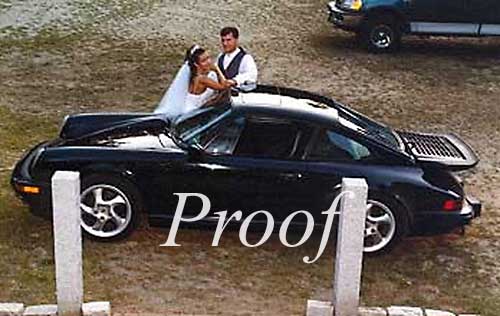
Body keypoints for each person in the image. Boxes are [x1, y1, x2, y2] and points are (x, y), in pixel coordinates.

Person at [155, 45, 235, 116]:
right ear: (196, 64)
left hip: (189, 109)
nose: (209, 62)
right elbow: (224, 86)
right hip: (191, 112)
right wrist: (217, 69)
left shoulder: (193, 76)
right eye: (204, 60)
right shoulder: (201, 79)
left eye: (208, 58)